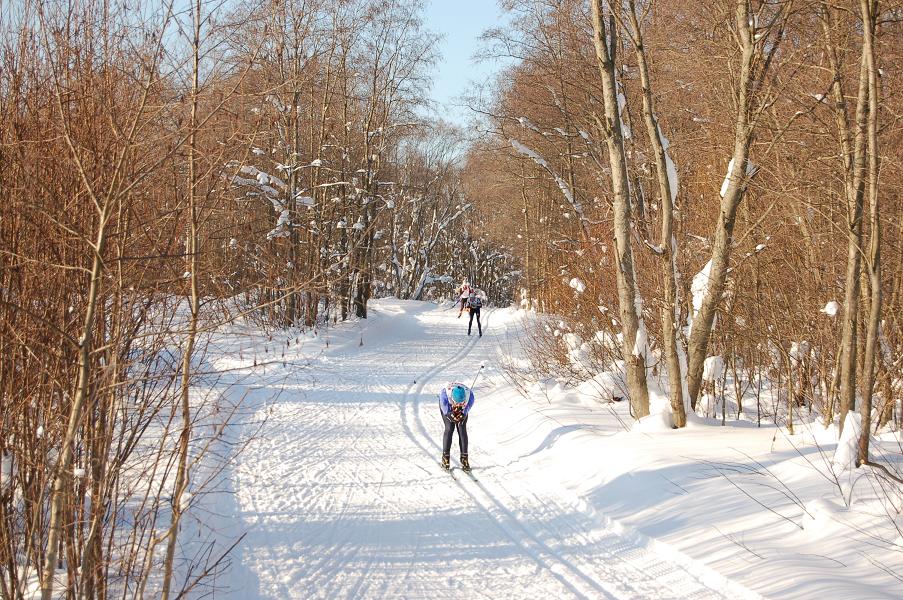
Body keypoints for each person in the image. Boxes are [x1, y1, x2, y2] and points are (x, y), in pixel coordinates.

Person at [438, 382, 474, 471]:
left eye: (461, 403)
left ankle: (464, 459)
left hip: (460, 401)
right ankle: (445, 459)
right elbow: (446, 411)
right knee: (449, 427)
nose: (458, 405)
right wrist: (450, 415)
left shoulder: (470, 397)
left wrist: (463, 414)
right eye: (456, 403)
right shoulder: (444, 396)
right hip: (447, 406)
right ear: (452, 399)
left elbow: (466, 410)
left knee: (462, 427)